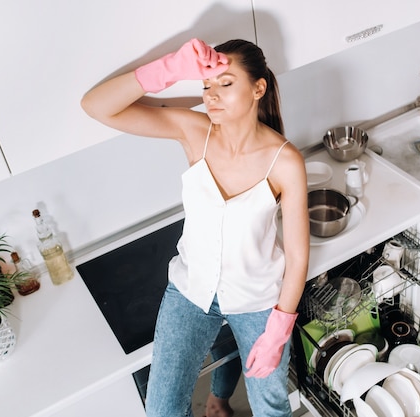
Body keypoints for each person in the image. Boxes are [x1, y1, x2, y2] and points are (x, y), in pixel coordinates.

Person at [81, 38, 309, 417]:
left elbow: (298, 255)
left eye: (226, 83)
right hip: (191, 291)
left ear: (258, 88)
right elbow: (96, 106)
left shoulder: (285, 162)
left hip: (257, 300)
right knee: (162, 411)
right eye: (206, 85)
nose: (211, 96)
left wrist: (280, 328)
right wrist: (170, 68)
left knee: (271, 408)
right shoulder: (194, 132)